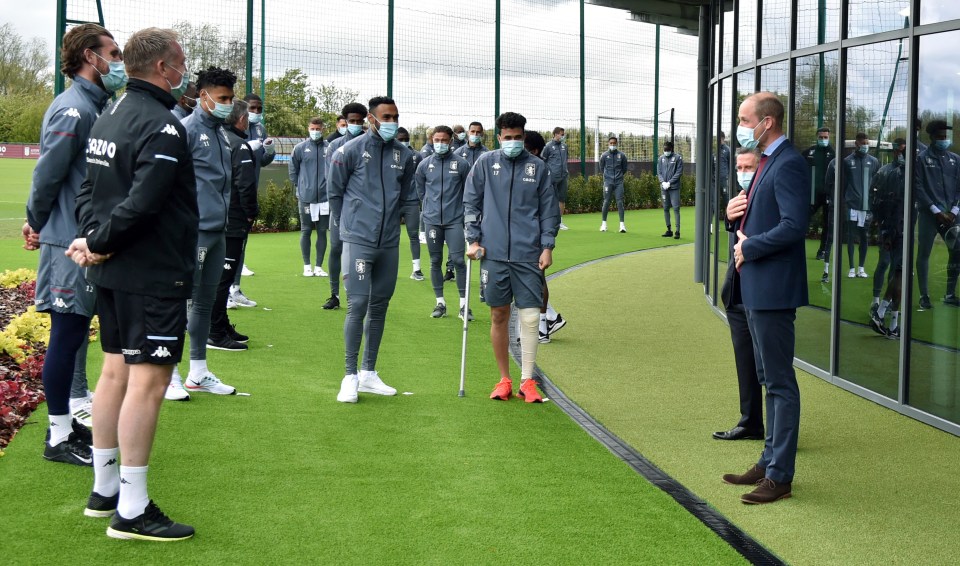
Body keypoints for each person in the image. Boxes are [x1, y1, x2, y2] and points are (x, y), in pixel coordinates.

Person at [70, 26, 197, 540]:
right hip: (152, 273)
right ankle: (132, 509)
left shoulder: (110, 112)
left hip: (114, 270)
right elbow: (143, 204)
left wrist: (91, 237)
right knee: (149, 383)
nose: (185, 70)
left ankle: (104, 491)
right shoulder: (163, 126)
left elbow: (88, 188)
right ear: (164, 68)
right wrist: (99, 240)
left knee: (114, 372)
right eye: (181, 62)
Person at [23, 23, 122, 463]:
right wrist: (35, 220)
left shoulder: (99, 105)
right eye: (113, 53)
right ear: (89, 55)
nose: (118, 62)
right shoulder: (72, 110)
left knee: (79, 331)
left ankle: (67, 423)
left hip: (87, 239)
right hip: (67, 241)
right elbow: (48, 174)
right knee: (66, 334)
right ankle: (58, 436)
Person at [723, 91, 809, 505]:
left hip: (774, 291)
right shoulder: (766, 161)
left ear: (767, 122)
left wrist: (751, 246)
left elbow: (795, 226)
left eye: (744, 118)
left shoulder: (789, 162)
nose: (740, 125)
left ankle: (780, 476)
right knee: (767, 380)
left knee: (779, 383)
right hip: (756, 288)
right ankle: (768, 461)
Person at [464, 112, 559, 404]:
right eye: (508, 138)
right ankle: (504, 379)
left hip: (528, 252)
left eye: (518, 137)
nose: (513, 142)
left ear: (524, 136)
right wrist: (472, 239)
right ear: (499, 138)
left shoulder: (538, 168)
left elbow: (548, 210)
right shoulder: (485, 163)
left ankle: (527, 381)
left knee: (530, 316)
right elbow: (471, 201)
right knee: (498, 314)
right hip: (491, 253)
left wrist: (547, 246)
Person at [328, 96, 417, 403]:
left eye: (395, 116)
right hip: (358, 240)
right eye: (386, 117)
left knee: (379, 307)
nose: (392, 122)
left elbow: (406, 196)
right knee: (357, 304)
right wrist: (345, 231)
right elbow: (335, 193)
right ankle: (349, 375)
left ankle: (369, 373)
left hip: (389, 242)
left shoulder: (404, 155)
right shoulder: (349, 150)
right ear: (371, 118)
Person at [166, 65, 239, 401]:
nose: (227, 103)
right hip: (191, 233)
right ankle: (170, 374)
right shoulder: (184, 130)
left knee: (205, 304)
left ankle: (198, 372)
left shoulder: (222, 134)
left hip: (217, 232)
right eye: (222, 98)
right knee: (180, 304)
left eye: (230, 98)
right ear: (204, 95)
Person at [714, 148, 764, 442]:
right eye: (739, 167)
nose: (743, 172)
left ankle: (779, 435)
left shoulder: (767, 196)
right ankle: (750, 423)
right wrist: (728, 218)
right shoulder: (739, 198)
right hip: (736, 294)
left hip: (762, 294)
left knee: (767, 367)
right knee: (745, 362)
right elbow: (737, 238)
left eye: (749, 167)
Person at [208, 99, 258, 350]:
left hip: (217, 216)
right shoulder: (239, 145)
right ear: (241, 120)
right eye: (247, 118)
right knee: (223, 277)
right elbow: (246, 185)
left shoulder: (218, 138)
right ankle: (215, 332)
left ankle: (221, 324)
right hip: (233, 219)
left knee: (220, 277)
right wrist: (251, 213)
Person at [416, 125, 471, 319]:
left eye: (444, 140)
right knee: (435, 261)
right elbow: (421, 191)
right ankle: (440, 303)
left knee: (458, 261)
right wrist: (430, 209)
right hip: (432, 221)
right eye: (436, 140)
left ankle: (464, 306)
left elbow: (468, 192)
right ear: (432, 140)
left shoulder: (462, 164)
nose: (440, 143)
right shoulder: (424, 165)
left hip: (455, 220)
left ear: (451, 141)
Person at [322, 101, 367, 310]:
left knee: (364, 251)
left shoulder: (371, 145)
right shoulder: (334, 146)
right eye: (352, 121)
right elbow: (331, 181)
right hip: (341, 207)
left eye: (359, 121)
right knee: (337, 247)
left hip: (366, 209)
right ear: (345, 122)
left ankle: (359, 294)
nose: (355, 124)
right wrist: (338, 212)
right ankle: (334, 294)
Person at [524, 130, 567, 343]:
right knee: (529, 280)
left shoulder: (541, 172)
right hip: (522, 234)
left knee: (537, 279)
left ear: (534, 151)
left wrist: (547, 243)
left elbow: (549, 211)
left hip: (537, 234)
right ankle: (551, 316)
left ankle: (543, 325)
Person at [915, 119, 960, 309]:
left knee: (957, 251)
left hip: (952, 215)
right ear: (932, 138)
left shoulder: (955, 159)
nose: (944, 140)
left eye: (946, 137)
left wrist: (954, 210)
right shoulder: (921, 159)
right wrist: (935, 210)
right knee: (924, 253)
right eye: (940, 137)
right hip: (929, 215)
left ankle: (950, 293)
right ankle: (923, 296)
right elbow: (917, 186)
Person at [869, 138, 907, 338]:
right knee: (893, 269)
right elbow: (877, 200)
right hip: (894, 228)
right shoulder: (888, 173)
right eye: (899, 151)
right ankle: (882, 312)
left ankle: (888, 318)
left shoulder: (909, 173)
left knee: (899, 273)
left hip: (899, 227)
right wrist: (884, 229)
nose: (900, 154)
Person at [289, 117, 330, 277]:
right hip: (306, 197)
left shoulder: (330, 148)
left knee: (322, 231)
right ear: (308, 129)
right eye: (312, 129)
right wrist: (302, 187)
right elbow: (293, 170)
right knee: (306, 230)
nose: (315, 132)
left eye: (318, 129)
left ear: (323, 129)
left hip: (325, 198)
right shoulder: (300, 148)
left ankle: (318, 267)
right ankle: (307, 266)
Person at [841, 132, 880, 279]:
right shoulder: (847, 161)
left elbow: (877, 183)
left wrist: (874, 203)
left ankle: (861, 268)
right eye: (863, 143)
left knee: (864, 236)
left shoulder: (874, 161)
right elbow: (843, 185)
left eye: (867, 143)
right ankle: (851, 268)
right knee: (851, 236)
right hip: (852, 205)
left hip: (866, 206)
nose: (865, 146)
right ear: (856, 144)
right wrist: (845, 202)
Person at [803, 127, 836, 259]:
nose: (823, 140)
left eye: (825, 137)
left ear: (829, 137)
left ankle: (823, 251)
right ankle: (796, 247)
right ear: (817, 137)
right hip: (812, 195)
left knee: (827, 224)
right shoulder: (809, 152)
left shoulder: (834, 153)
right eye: (821, 137)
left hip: (828, 195)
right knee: (803, 219)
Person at [542, 127, 570, 231]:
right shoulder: (548, 146)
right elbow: (543, 160)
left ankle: (560, 222)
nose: (562, 136)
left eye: (563, 134)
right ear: (555, 134)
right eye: (561, 134)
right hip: (552, 178)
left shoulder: (564, 146)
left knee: (561, 199)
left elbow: (566, 159)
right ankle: (548, 222)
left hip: (563, 177)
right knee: (550, 199)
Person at [599, 136, 628, 233]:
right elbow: (602, 168)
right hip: (608, 182)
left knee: (620, 202)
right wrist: (608, 177)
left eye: (614, 143)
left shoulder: (622, 155)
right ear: (608, 144)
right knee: (606, 202)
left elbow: (624, 169)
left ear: (617, 144)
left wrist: (618, 177)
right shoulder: (604, 155)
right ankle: (603, 224)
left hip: (619, 182)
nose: (612, 145)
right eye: (611, 143)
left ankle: (622, 225)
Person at [658, 141, 683, 239]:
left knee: (676, 208)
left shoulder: (677, 158)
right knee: (665, 208)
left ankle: (677, 231)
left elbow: (679, 172)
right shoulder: (661, 158)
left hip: (674, 188)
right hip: (664, 188)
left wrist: (670, 182)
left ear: (671, 149)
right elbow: (659, 172)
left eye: (667, 150)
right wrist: (663, 182)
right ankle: (669, 229)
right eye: (664, 150)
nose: (666, 151)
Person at [715, 131, 731, 216]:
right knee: (714, 199)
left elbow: (730, 164)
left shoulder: (727, 149)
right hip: (714, 179)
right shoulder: (714, 149)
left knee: (726, 199)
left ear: (723, 139)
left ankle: (728, 219)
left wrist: (728, 176)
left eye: (720, 139)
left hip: (724, 179)